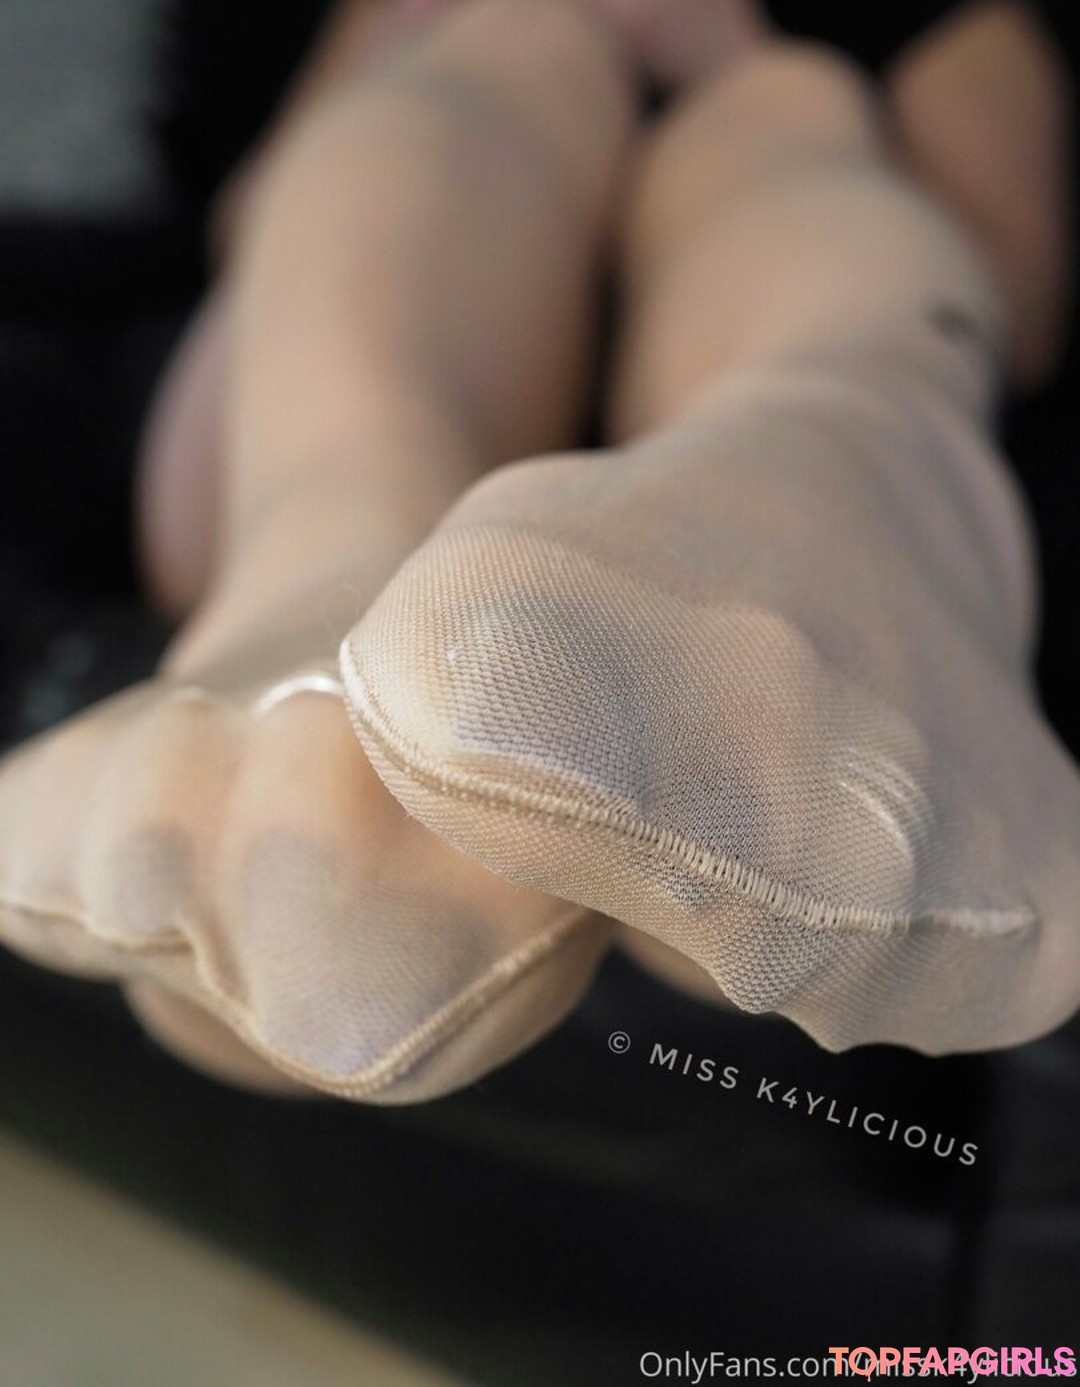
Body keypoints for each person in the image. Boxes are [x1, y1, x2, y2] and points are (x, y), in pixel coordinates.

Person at [0, 0, 1074, 1099]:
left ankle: (827, 472)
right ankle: (339, 566)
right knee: (500, 66)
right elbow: (247, 215)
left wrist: (750, 65)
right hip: (411, 305)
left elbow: (1016, 286)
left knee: (779, 117)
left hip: (728, 323)